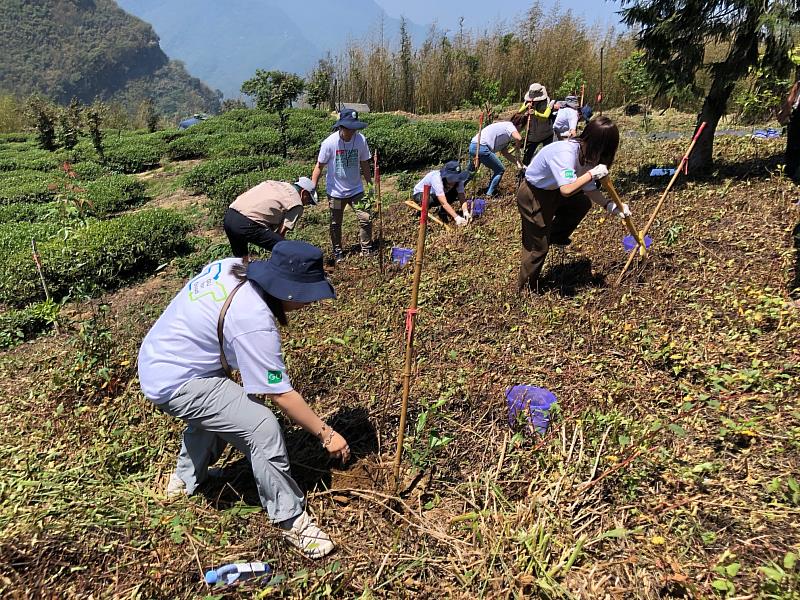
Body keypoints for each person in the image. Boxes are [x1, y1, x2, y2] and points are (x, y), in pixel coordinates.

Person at [137, 240, 348, 559]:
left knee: (221, 409)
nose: (310, 304)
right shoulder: (254, 322)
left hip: (160, 357)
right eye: (307, 296)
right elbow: (280, 394)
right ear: (288, 290)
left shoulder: (234, 265)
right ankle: (290, 519)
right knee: (261, 426)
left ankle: (185, 479)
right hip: (176, 379)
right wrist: (327, 434)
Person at [517, 115, 631, 292]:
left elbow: (589, 189)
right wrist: (592, 174)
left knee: (581, 203)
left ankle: (555, 235)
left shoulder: (589, 155)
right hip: (534, 194)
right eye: (604, 149)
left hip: (554, 189)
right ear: (594, 142)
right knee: (538, 247)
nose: (604, 155)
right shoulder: (566, 153)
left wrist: (612, 206)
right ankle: (525, 290)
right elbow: (567, 190)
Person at [311, 109, 373, 263]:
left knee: (365, 218)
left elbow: (364, 163)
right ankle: (338, 250)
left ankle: (367, 249)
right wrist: (313, 188)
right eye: (349, 128)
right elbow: (319, 166)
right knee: (335, 222)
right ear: (341, 127)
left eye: (354, 128)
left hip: (356, 190)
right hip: (336, 192)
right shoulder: (329, 143)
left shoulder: (360, 140)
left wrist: (370, 184)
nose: (352, 132)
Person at [223, 177, 319, 257]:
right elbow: (281, 233)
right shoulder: (297, 203)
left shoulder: (275, 184)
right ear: (304, 193)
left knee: (241, 259)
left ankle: (241, 276)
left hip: (230, 216)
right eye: (309, 200)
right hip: (247, 224)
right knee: (286, 249)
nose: (307, 204)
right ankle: (287, 275)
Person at [467, 113, 526, 197]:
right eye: (523, 128)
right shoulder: (510, 126)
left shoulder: (505, 130)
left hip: (473, 145)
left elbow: (505, 153)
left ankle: (456, 191)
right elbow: (518, 138)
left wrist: (518, 163)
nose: (522, 130)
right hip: (482, 147)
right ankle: (489, 194)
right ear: (520, 125)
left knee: (470, 172)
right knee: (500, 169)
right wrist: (517, 149)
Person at [412, 160, 471, 225]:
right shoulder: (437, 179)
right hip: (421, 194)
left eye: (456, 178)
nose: (454, 181)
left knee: (454, 192)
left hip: (439, 195)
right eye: (452, 178)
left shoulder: (459, 180)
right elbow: (443, 202)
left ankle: (443, 211)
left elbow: (461, 195)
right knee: (430, 200)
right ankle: (421, 215)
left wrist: (465, 211)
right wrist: (457, 217)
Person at [517, 83, 556, 165]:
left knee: (547, 155)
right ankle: (523, 172)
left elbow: (545, 117)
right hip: (533, 135)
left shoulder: (549, 102)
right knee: (527, 156)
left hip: (546, 133)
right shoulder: (527, 101)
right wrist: (527, 106)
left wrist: (535, 113)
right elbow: (520, 112)